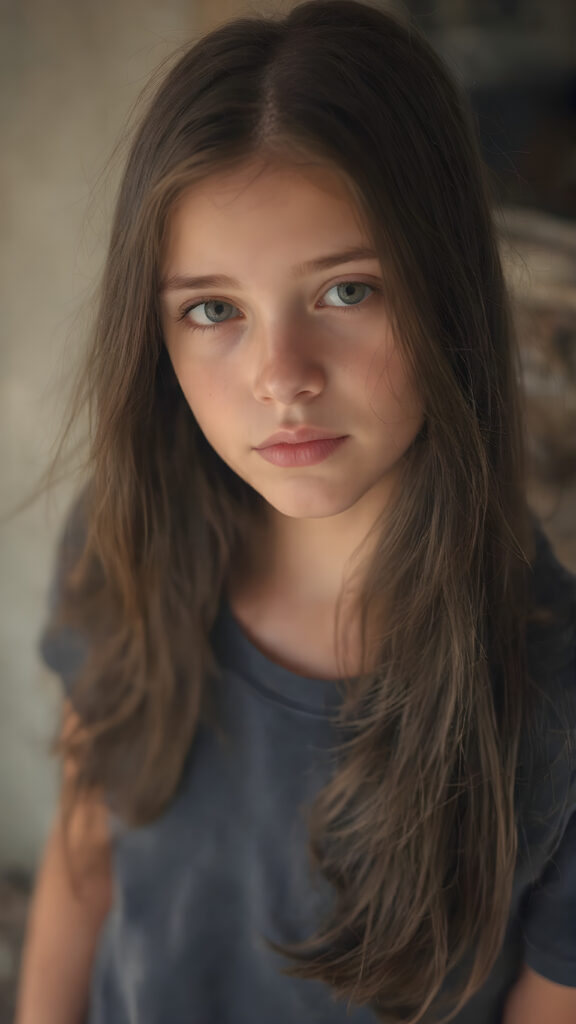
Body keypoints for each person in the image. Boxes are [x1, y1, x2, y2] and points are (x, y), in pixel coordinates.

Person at [14, 1, 576, 1022]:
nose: (283, 378)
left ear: (446, 287)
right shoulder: (125, 539)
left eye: (345, 292)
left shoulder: (556, 693)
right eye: (214, 309)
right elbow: (83, 863)